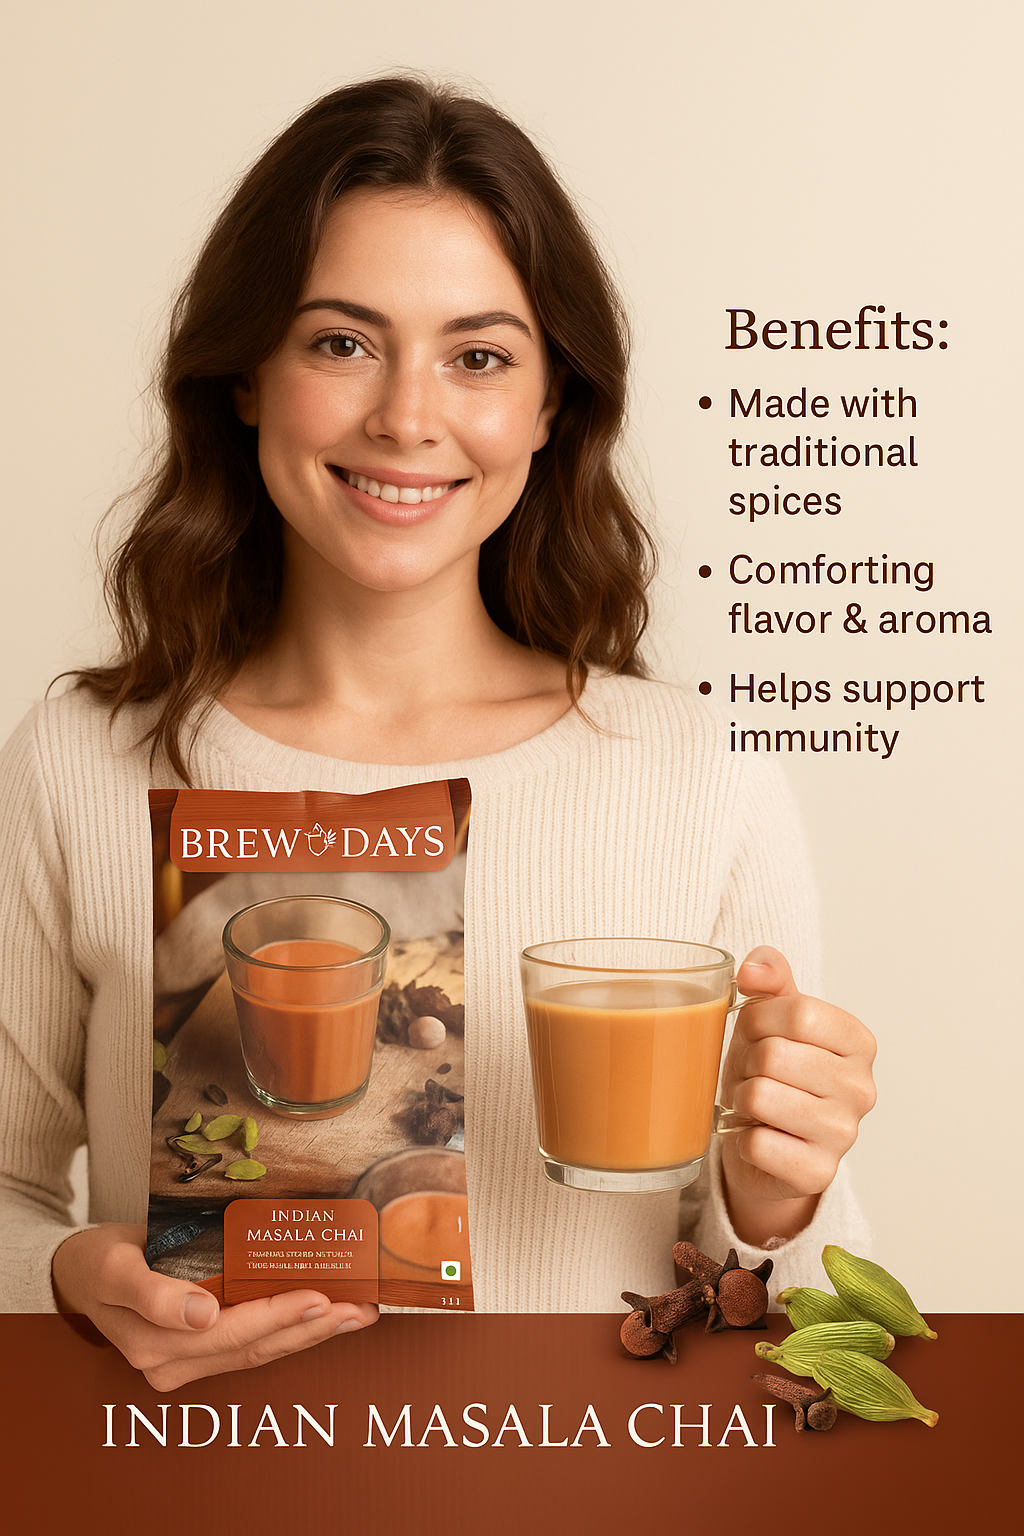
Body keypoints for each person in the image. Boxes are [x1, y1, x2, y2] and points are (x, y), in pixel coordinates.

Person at [0, 76, 876, 1388]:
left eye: (478, 356)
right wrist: (69, 1278)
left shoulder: (699, 774)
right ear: (245, 375)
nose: (407, 416)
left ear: (549, 406)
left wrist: (780, 1205)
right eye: (341, 342)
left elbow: (802, 1345)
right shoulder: (85, 755)